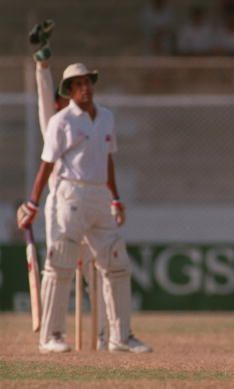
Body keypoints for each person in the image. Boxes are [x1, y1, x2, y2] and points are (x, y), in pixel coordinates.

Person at [17, 62, 151, 354]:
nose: (86, 88)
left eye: (88, 82)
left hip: (101, 196)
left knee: (117, 264)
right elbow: (47, 164)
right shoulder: (61, 121)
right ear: (69, 90)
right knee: (61, 263)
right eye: (78, 84)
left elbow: (108, 160)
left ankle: (120, 336)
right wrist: (32, 202)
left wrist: (115, 197)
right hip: (71, 196)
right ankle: (51, 336)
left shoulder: (106, 117)